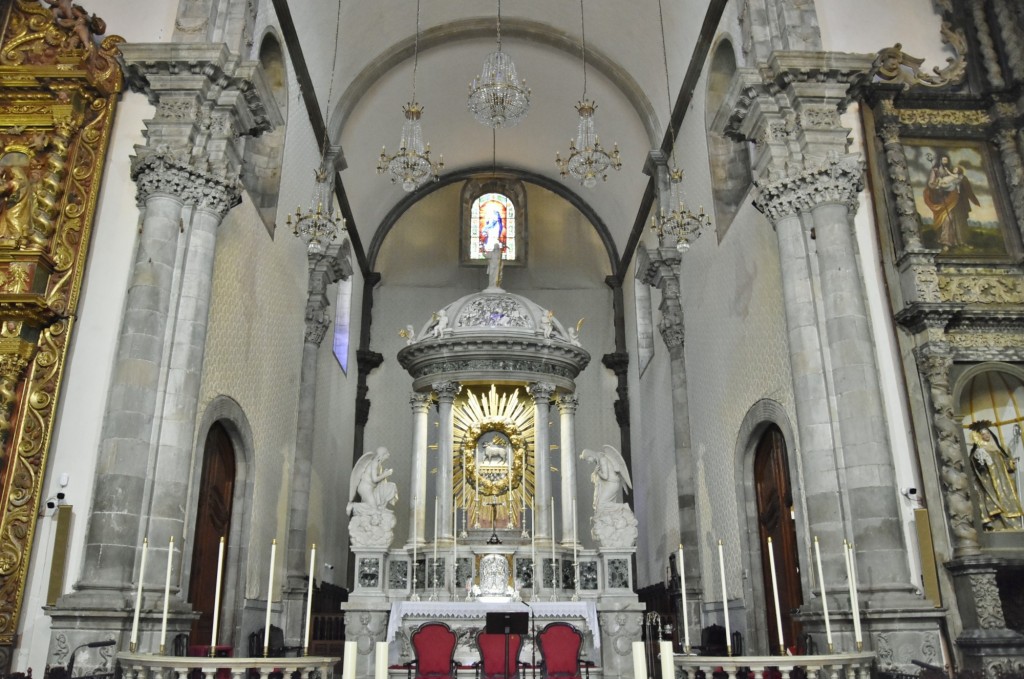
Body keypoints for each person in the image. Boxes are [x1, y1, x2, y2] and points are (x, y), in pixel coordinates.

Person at [968, 422, 1023, 531]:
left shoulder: (998, 449)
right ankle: (998, 525)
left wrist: (1011, 463)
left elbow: (1007, 466)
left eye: (987, 433)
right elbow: (977, 469)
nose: (986, 436)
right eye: (983, 434)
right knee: (996, 503)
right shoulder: (979, 451)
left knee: (1009, 502)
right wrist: (980, 461)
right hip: (990, 484)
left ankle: (1013, 525)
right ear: (979, 437)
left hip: (1004, 482)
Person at [923, 151, 979, 251]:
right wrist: (936, 186)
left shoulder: (951, 171)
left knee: (958, 219)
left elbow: (958, 180)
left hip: (955, 198)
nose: (945, 162)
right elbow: (931, 184)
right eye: (943, 160)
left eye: (946, 160)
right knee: (947, 220)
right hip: (943, 198)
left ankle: (961, 241)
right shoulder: (935, 170)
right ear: (940, 161)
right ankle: (946, 242)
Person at [347, 446, 398, 516]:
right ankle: (353, 506)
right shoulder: (374, 463)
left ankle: (378, 512)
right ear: (382, 455)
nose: (388, 455)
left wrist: (383, 474)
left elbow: (377, 480)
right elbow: (374, 479)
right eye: (387, 453)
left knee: (374, 508)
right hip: (365, 488)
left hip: (371, 488)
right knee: (373, 508)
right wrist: (385, 474)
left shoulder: (379, 464)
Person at [580, 445, 632, 510]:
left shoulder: (602, 459)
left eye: (587, 460)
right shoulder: (599, 458)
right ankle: (609, 516)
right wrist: (596, 473)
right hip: (609, 484)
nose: (588, 462)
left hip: (612, 484)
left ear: (590, 456)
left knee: (601, 504)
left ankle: (623, 507)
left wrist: (598, 472)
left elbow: (605, 476)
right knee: (600, 504)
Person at [0, 165, 31, 242]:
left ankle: (18, 237)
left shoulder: (15, 182)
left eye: (11, 173)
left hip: (15, 205)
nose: (10, 175)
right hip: (21, 204)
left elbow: (3, 189)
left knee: (11, 217)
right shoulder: (25, 183)